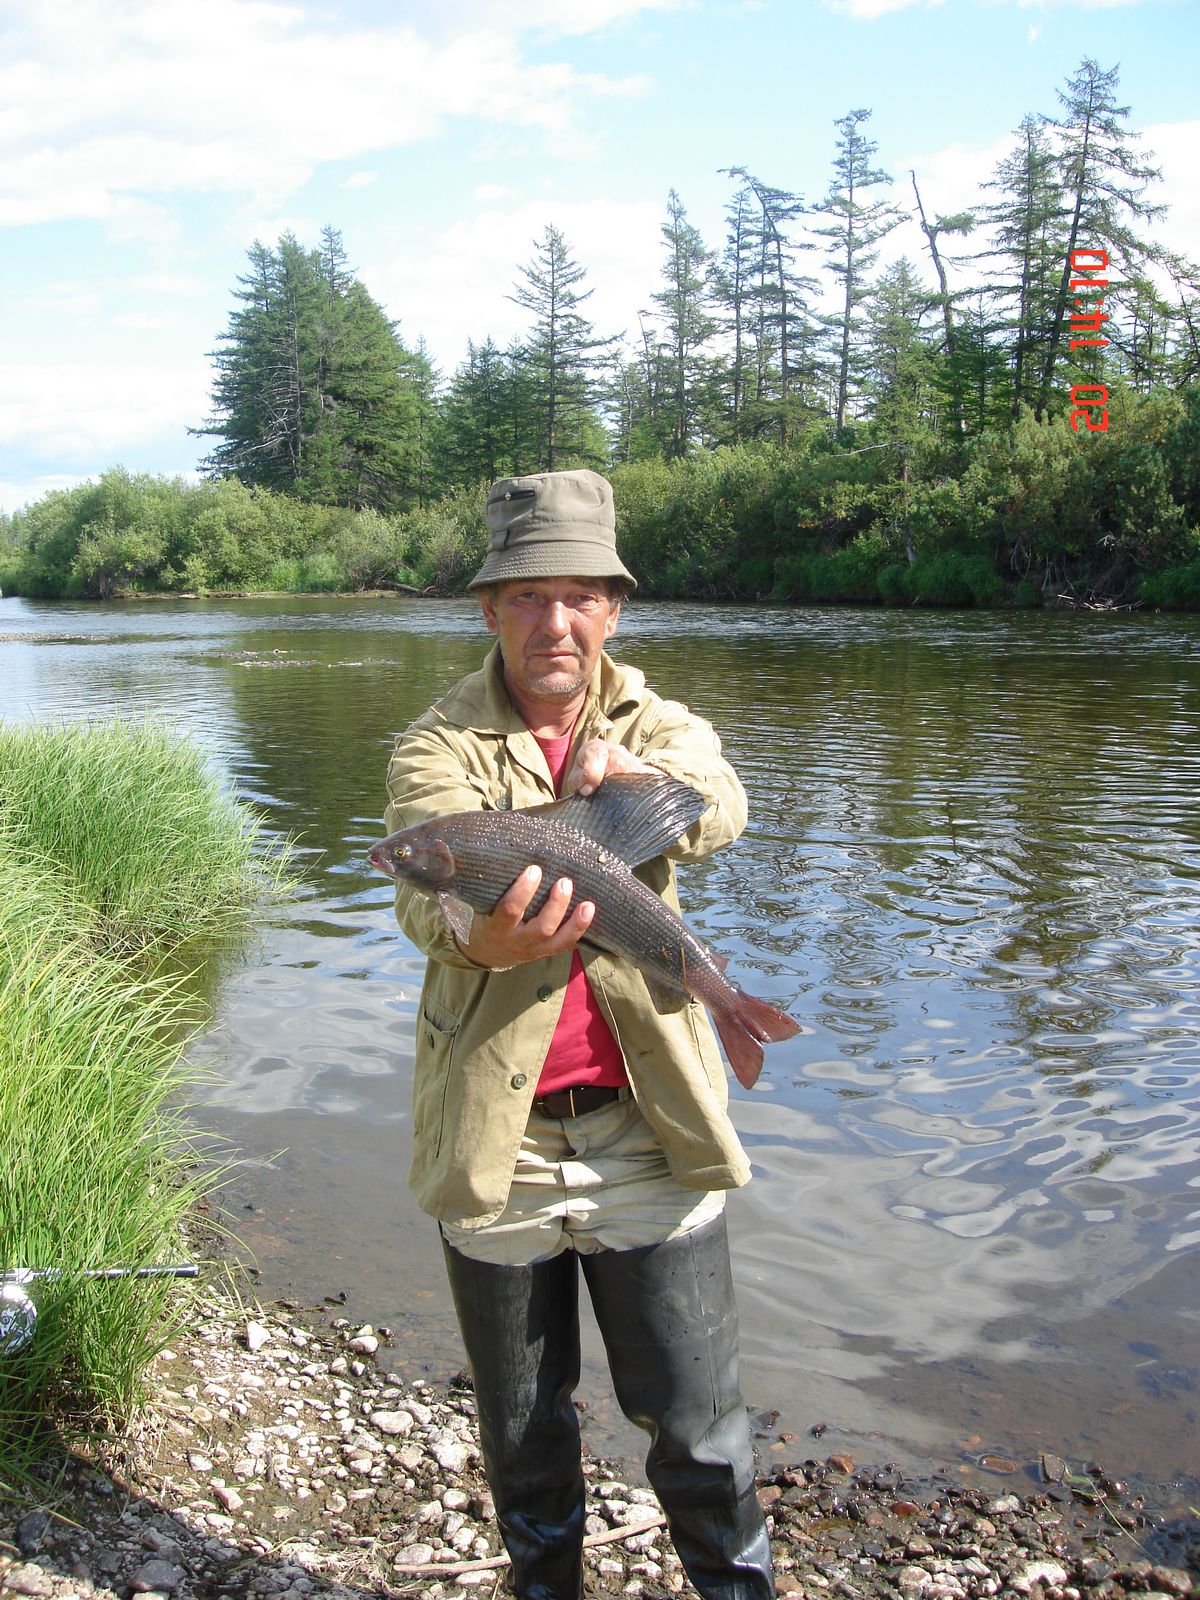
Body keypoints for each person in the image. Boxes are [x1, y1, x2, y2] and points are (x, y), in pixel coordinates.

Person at [383, 468, 775, 1600]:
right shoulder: (435, 743)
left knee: (702, 1433)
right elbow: (422, 898)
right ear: (488, 609)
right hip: (496, 1145)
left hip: (651, 1133)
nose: (554, 622)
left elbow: (723, 800)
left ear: (612, 610)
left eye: (580, 597)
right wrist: (481, 938)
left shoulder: (654, 720)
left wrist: (651, 784)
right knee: (524, 1436)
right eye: (527, 596)